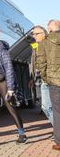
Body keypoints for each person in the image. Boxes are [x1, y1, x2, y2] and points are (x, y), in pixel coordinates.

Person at [36, 19, 60, 151]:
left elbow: (41, 64)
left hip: (54, 82)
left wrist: (47, 79)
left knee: (57, 111)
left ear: (49, 29)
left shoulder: (44, 43)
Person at [28, 25, 53, 127]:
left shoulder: (49, 44)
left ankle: (57, 131)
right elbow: (33, 63)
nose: (34, 36)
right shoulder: (35, 46)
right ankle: (57, 130)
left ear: (44, 34)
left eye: (36, 34)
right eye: (33, 34)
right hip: (40, 79)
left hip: (50, 79)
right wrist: (31, 78)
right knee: (45, 106)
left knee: (47, 106)